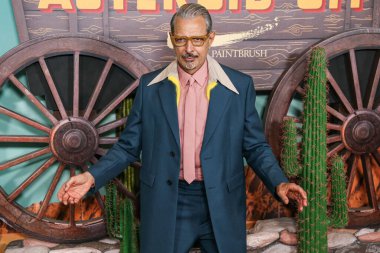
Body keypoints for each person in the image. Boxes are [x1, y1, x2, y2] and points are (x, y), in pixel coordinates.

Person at [58, 3, 307, 253]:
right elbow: (127, 147)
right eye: (181, 40)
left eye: (197, 40)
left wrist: (279, 183)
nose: (189, 49)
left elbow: (254, 146)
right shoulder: (149, 87)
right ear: (171, 39)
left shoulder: (239, 87)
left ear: (211, 39)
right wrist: (92, 177)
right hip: (168, 202)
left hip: (221, 202)